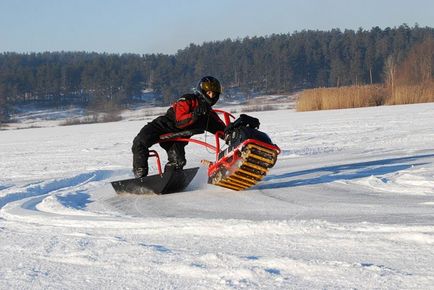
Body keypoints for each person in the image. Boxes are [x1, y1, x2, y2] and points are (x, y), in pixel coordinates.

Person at [131, 76, 226, 178]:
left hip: (178, 136)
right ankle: (139, 175)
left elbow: (221, 129)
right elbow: (179, 121)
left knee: (178, 161)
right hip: (163, 126)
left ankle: (169, 180)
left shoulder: (208, 113)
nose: (211, 96)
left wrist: (233, 132)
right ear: (202, 91)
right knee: (140, 142)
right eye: (209, 93)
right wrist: (195, 115)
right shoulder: (188, 99)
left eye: (214, 94)